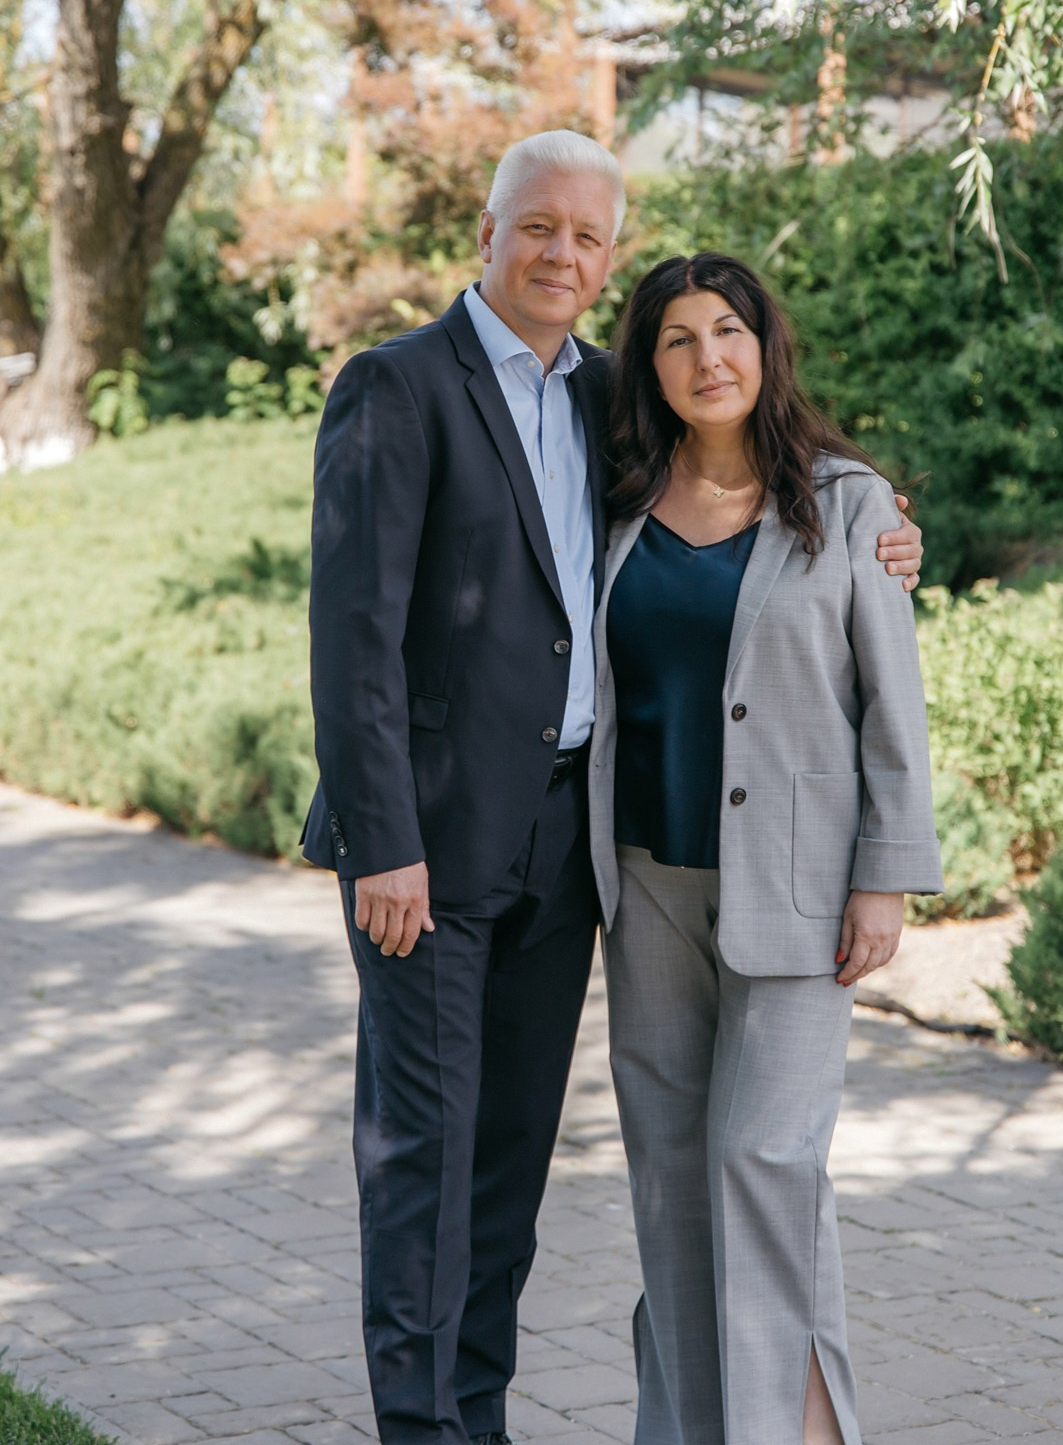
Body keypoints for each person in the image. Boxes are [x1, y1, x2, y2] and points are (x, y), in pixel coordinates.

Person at [303, 132, 925, 1445]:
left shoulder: (608, 404)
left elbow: (772, 518)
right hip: (454, 852)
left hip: (582, 858)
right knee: (432, 1163)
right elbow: (353, 631)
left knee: (520, 1177)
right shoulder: (399, 386)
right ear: (489, 230)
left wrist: (887, 533)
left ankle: (490, 1417)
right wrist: (382, 842)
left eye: (589, 238)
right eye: (540, 228)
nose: (563, 256)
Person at [588, 252, 943, 1445]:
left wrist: (885, 878)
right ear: (651, 365)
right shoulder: (617, 498)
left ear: (765, 344)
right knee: (674, 1187)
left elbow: (893, 705)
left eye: (728, 331)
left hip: (797, 891)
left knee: (764, 1162)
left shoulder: (849, 504)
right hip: (645, 889)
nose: (708, 359)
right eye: (678, 339)